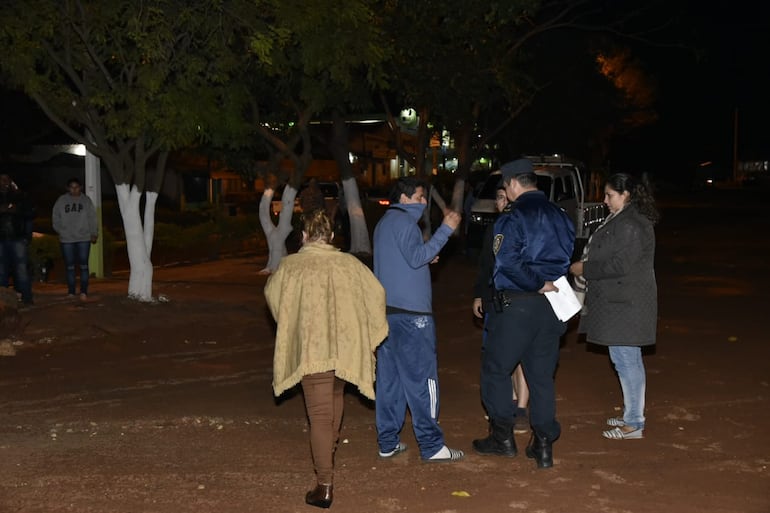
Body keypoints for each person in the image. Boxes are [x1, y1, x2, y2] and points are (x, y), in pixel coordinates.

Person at [264, 209, 388, 509]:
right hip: (344, 348)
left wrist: (293, 322)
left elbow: (273, 298)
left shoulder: (291, 266)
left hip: (312, 349)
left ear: (304, 236)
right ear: (332, 237)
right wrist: (364, 333)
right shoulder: (350, 264)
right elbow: (377, 295)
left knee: (320, 415)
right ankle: (327, 453)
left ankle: (324, 484)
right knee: (334, 402)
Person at [471, 158, 574, 469]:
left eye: (505, 186)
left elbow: (507, 263)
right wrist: (546, 281)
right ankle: (543, 445)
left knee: (495, 369)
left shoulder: (512, 217)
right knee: (542, 377)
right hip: (552, 305)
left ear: (513, 184)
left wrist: (535, 282)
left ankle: (502, 437)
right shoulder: (560, 214)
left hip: (518, 303)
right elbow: (568, 254)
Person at [373, 176, 465, 463]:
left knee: (390, 381)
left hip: (387, 313)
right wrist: (445, 231)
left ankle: (387, 441)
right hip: (414, 317)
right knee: (423, 380)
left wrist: (427, 254)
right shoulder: (404, 223)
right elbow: (415, 258)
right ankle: (432, 445)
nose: (424, 202)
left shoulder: (385, 223)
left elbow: (409, 258)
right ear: (404, 199)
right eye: (419, 197)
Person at [569, 173, 659, 440]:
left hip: (627, 304)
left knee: (627, 360)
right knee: (623, 360)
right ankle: (632, 413)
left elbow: (620, 265)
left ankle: (633, 423)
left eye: (609, 195)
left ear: (625, 194)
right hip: (620, 303)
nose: (605, 200)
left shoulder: (631, 223)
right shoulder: (625, 219)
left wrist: (584, 268)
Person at [471, 182, 530, 435]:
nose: (503, 202)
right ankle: (507, 403)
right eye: (499, 198)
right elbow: (485, 265)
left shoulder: (524, 228)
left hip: (519, 301)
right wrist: (478, 296)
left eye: (507, 198)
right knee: (500, 356)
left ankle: (522, 410)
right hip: (495, 301)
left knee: (522, 357)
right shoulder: (494, 229)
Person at [52, 177, 98, 300]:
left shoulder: (86, 201)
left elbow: (92, 217)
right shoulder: (61, 200)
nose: (74, 189)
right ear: (68, 188)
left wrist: (93, 232)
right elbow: (55, 216)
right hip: (67, 239)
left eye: (76, 187)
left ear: (81, 187)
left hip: (83, 237)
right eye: (72, 187)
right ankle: (71, 291)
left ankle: (84, 291)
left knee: (83, 265)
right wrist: (60, 230)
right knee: (70, 266)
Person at [0, 173, 34, 305]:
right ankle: (3, 300)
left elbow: (30, 213)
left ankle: (26, 298)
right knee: (1, 271)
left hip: (17, 237)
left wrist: (17, 210)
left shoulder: (19, 195)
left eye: (6, 180)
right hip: (0, 238)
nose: (3, 183)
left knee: (21, 269)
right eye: (1, 180)